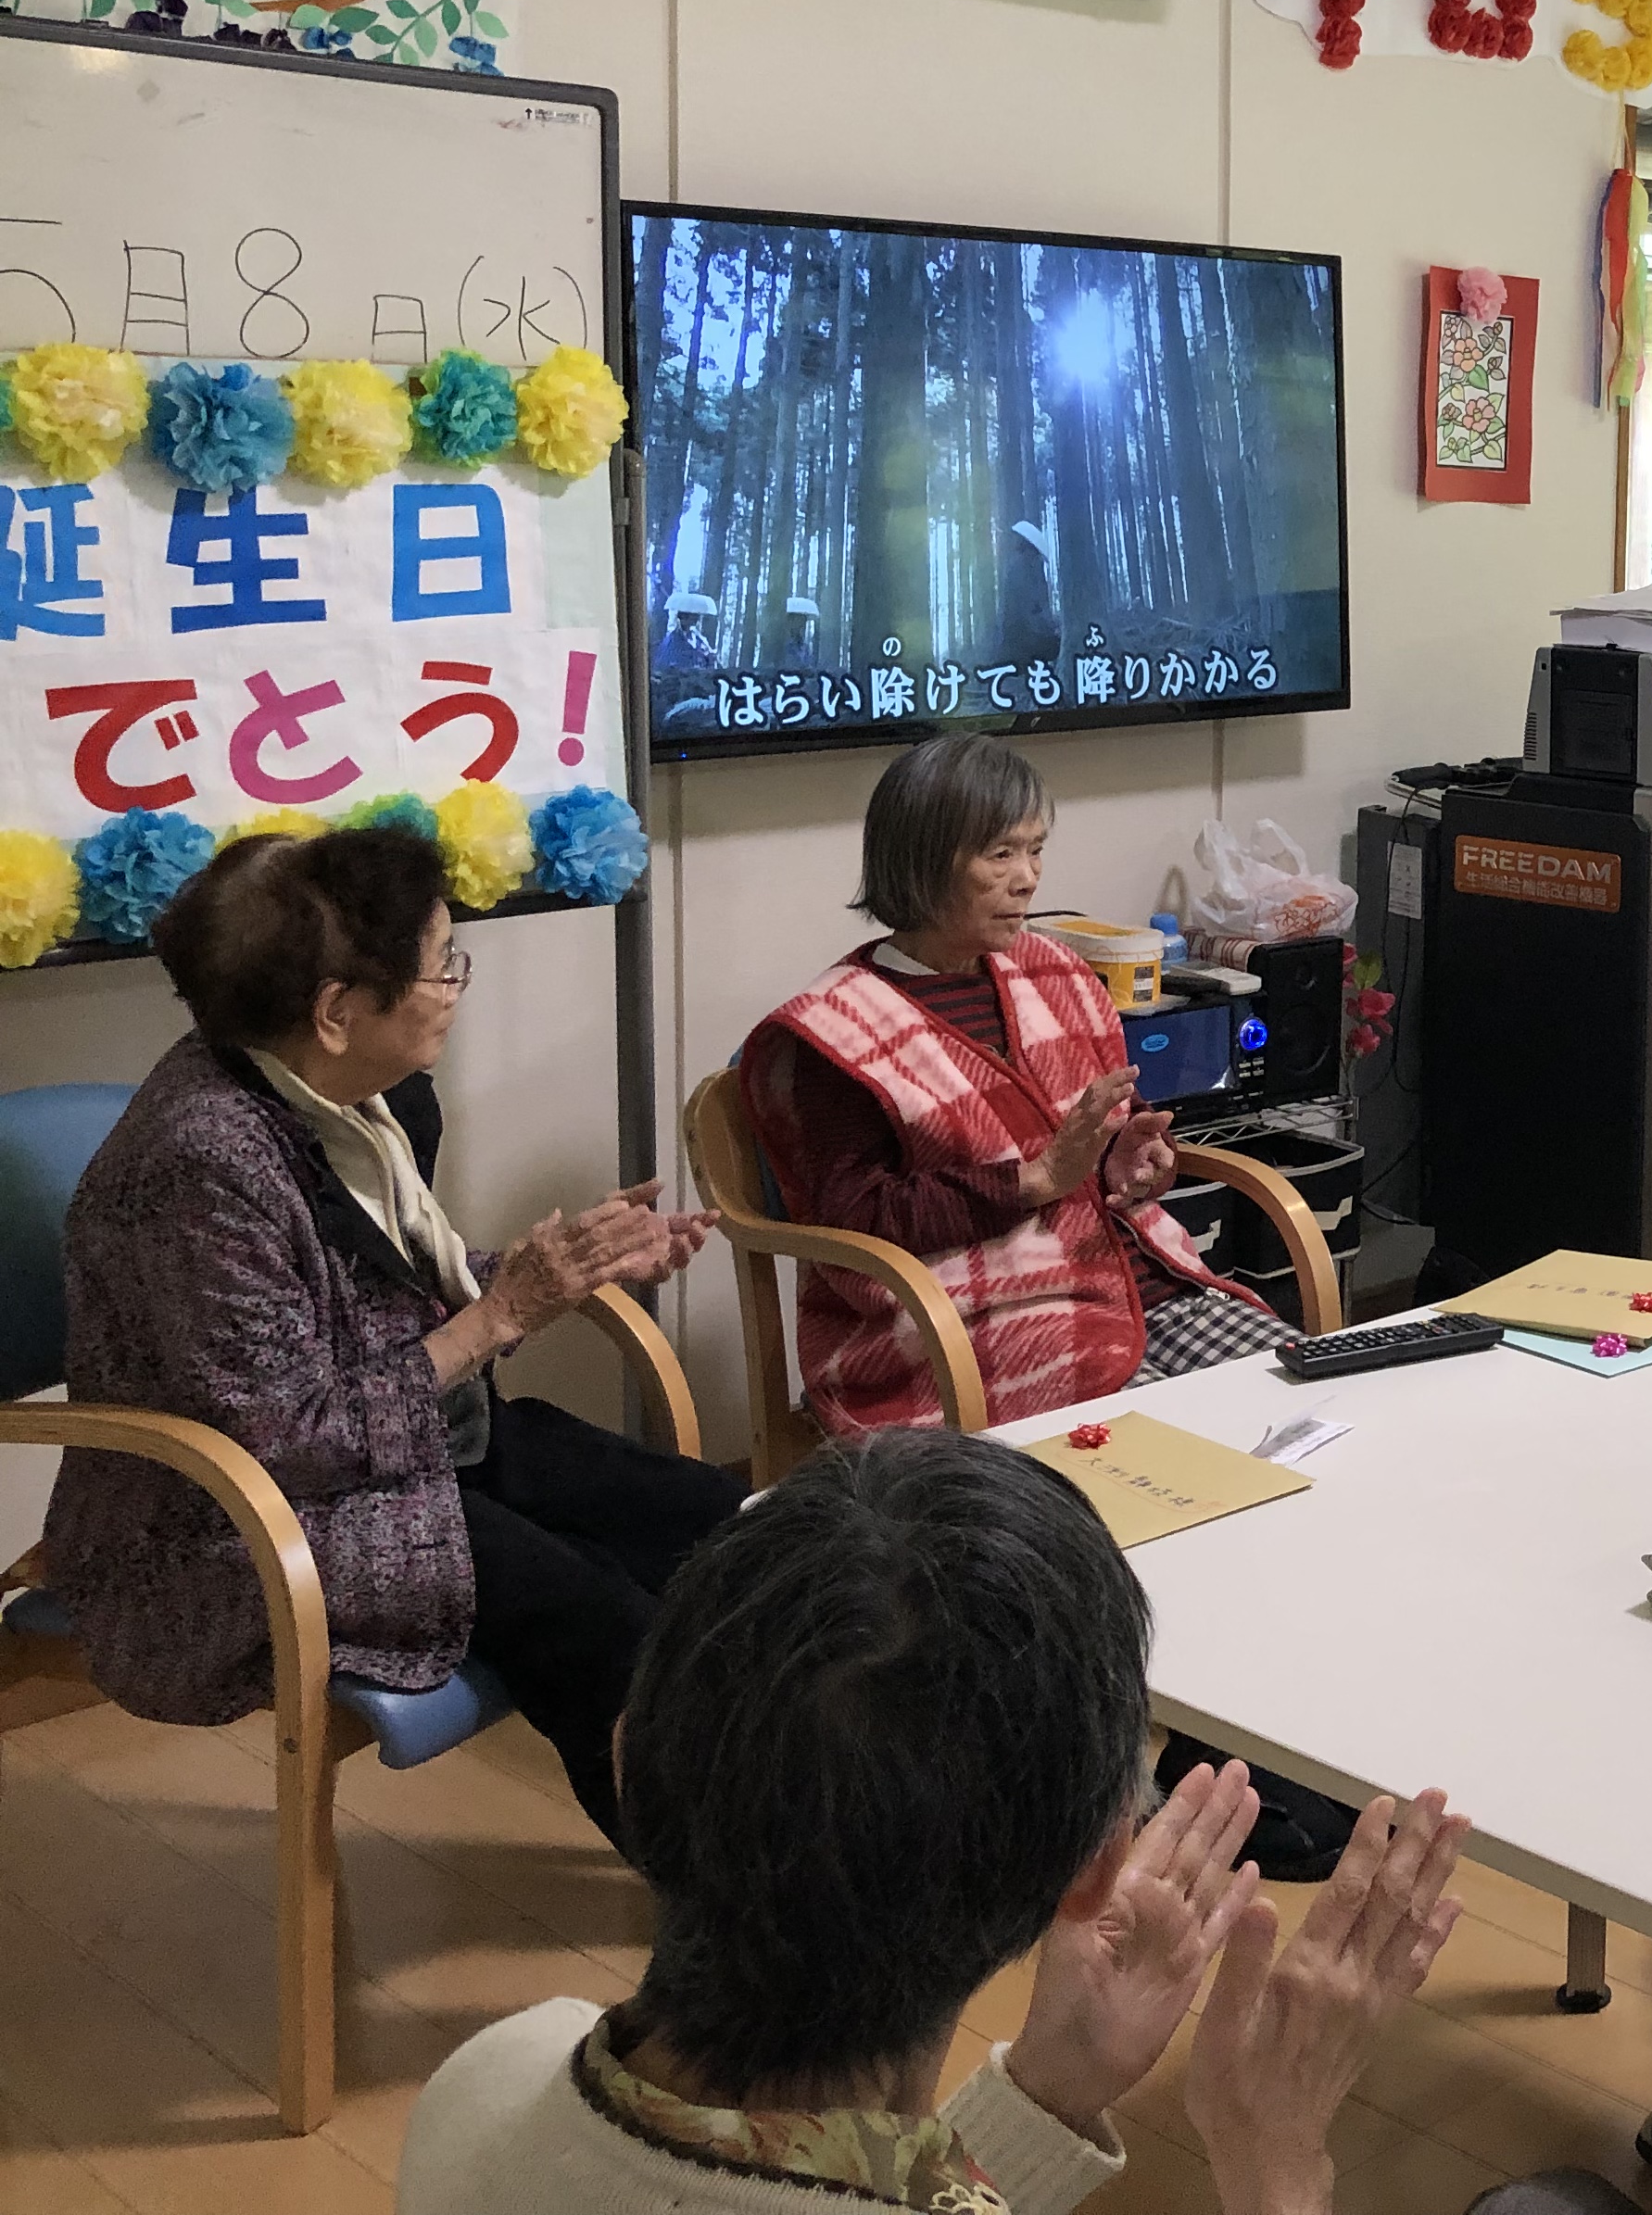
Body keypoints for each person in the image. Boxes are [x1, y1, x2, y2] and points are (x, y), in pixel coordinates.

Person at [395, 1429, 1552, 2215]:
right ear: (1101, 1866)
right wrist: (1277, 2163)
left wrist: (1048, 2093)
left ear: (627, 1755)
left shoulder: (492, 2080)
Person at [45, 830, 738, 1846]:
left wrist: (572, 1265)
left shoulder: (347, 1101)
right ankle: (730, 1914)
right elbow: (283, 1437)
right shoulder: (199, 1169)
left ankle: (780, 1828)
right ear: (337, 1012)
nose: (454, 987)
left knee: (717, 1521)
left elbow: (387, 1321)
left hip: (405, 1451)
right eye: (439, 965)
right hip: (229, 1524)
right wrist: (505, 1312)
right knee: (597, 1623)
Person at [740, 733, 1293, 1434]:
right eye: (1000, 853)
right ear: (919, 860)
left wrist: (1133, 1155)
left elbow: (1102, 1126)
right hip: (987, 1325)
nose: (1028, 877)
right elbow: (858, 1214)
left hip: (1150, 1286)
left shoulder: (1057, 973)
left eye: (1035, 849)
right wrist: (1029, 1183)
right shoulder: (838, 1030)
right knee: (1186, 1448)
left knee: (1306, 1406)